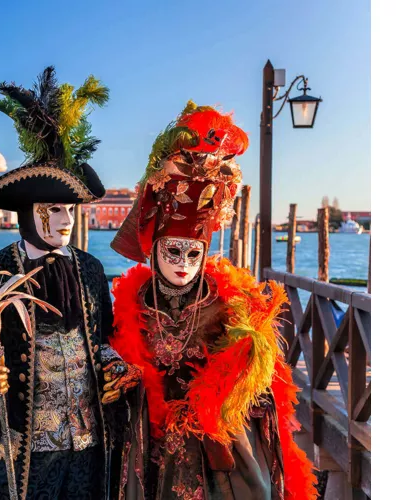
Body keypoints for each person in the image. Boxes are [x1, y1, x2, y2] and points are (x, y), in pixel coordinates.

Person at [109, 101, 317, 499]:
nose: (184, 264)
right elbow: (121, 358)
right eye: (173, 252)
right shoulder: (133, 302)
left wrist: (228, 385)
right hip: (149, 443)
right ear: (154, 252)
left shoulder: (230, 302)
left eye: (193, 254)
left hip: (216, 445)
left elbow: (262, 380)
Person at [0, 66, 138, 500]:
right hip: (23, 450)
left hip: (88, 446)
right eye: (54, 209)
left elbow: (102, 336)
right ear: (29, 212)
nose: (65, 220)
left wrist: (116, 368)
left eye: (70, 210)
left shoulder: (90, 269)